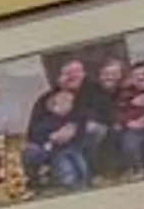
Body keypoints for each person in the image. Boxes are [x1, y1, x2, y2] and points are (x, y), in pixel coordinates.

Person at [22, 57, 103, 195]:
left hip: (77, 142)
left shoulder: (92, 92)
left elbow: (97, 114)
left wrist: (74, 126)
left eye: (77, 73)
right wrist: (52, 136)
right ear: (60, 78)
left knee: (92, 135)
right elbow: (34, 131)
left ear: (84, 74)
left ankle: (91, 175)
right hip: (50, 145)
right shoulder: (46, 99)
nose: (72, 77)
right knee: (61, 166)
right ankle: (41, 178)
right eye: (67, 75)